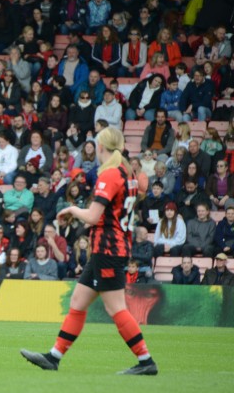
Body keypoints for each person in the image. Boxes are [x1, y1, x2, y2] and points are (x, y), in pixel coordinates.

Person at [21, 127, 158, 375]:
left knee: (115, 308)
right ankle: (54, 357)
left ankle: (146, 361)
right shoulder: (127, 173)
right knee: (78, 302)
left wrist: (71, 210)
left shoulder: (110, 174)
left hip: (108, 248)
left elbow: (94, 216)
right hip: (108, 247)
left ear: (101, 147)